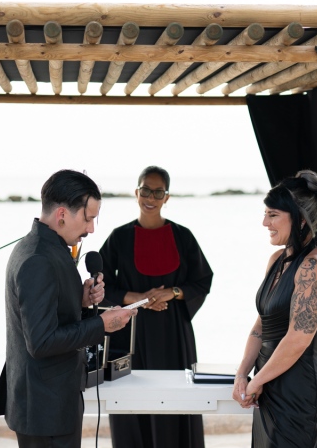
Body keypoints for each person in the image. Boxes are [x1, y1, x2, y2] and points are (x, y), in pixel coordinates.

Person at [1, 169, 137, 448]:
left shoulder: (42, 247)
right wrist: (102, 325)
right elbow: (41, 342)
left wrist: (81, 299)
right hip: (45, 409)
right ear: (62, 214)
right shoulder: (38, 259)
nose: (91, 229)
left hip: (49, 402)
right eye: (87, 218)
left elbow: (48, 310)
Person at [232, 170, 317, 448]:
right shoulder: (276, 259)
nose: (265, 222)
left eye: (273, 215)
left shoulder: (316, 266)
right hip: (268, 390)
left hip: (300, 397)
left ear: (299, 219)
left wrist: (255, 382)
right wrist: (242, 375)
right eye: (265, 213)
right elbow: (260, 327)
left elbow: (298, 339)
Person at [100, 165, 213, 448]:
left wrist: (172, 293)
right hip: (129, 334)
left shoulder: (183, 236)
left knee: (178, 404)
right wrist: (137, 297)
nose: (151, 197)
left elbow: (202, 281)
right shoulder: (119, 237)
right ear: (136, 192)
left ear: (167, 197)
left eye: (158, 191)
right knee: (132, 405)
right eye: (145, 190)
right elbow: (99, 288)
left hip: (174, 334)